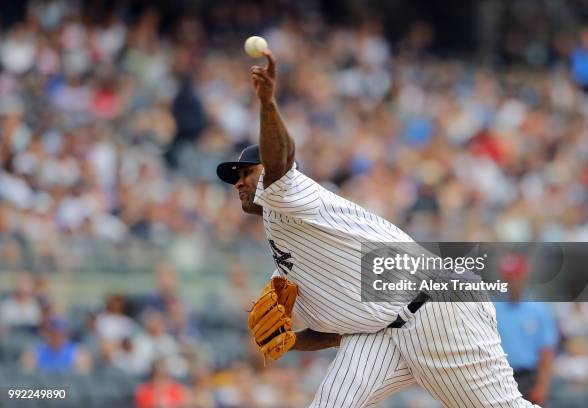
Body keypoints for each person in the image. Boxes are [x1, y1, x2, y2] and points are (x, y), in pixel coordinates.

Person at [216, 49, 538, 407]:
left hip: (436, 307)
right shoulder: (288, 252)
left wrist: (267, 103)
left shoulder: (289, 196)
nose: (239, 182)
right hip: (384, 329)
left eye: (247, 172)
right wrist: (292, 339)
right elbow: (334, 331)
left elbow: (281, 160)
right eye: (236, 177)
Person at [494, 254, 559, 406]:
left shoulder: (538, 309)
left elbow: (546, 351)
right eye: (508, 278)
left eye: (515, 277)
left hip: (529, 377)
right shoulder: (492, 308)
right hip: (500, 378)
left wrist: (542, 385)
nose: (512, 282)